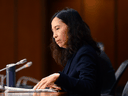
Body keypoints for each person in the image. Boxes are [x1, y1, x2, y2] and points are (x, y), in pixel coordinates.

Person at [33, 8, 101, 96]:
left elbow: (88, 87)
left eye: (57, 28)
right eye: (53, 31)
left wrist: (57, 77)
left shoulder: (85, 52)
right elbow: (73, 85)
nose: (54, 36)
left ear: (72, 27)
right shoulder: (73, 53)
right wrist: (58, 86)